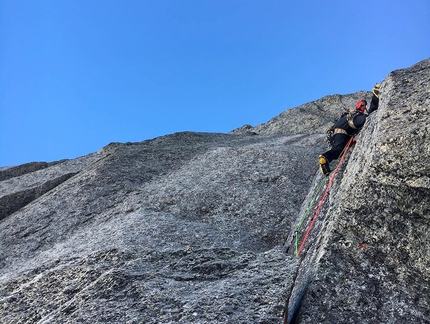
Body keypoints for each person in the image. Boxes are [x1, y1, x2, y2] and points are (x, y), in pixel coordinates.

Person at [318, 84, 380, 176]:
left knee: (338, 149)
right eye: (363, 105)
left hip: (338, 132)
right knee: (371, 117)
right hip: (351, 123)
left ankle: (325, 158)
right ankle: (376, 96)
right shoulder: (356, 113)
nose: (363, 107)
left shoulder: (343, 115)